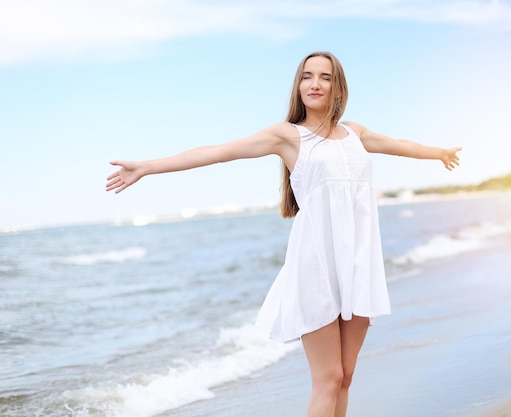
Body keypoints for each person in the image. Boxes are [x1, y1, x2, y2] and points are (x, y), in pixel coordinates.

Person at [106, 51, 461, 417]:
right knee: (327, 378)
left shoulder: (356, 133)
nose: (315, 83)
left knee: (346, 376)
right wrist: (148, 166)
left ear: (338, 86)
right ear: (298, 85)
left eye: (324, 77)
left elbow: (400, 145)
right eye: (307, 76)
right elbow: (218, 152)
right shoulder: (288, 136)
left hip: (356, 263)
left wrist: (439, 153)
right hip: (316, 268)